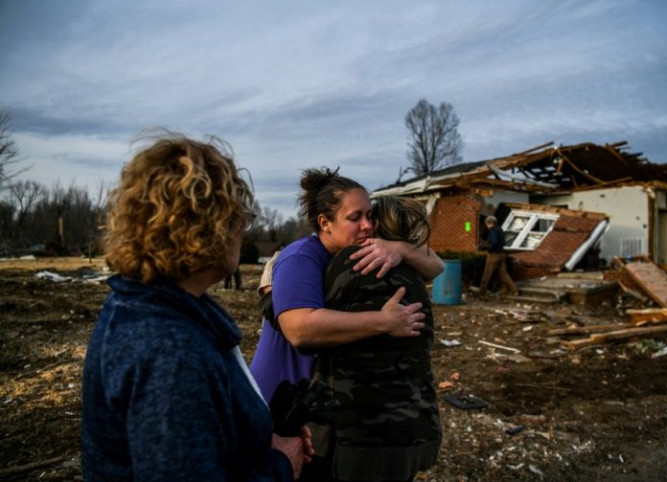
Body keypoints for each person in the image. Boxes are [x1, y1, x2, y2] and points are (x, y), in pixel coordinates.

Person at [81, 134, 312, 482]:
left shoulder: (148, 305)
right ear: (211, 228)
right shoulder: (170, 351)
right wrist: (280, 467)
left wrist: (264, 438)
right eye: (240, 218)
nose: (242, 233)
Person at [250, 167, 444, 403]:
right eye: (355, 218)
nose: (367, 226)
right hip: (278, 397)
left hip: (312, 401)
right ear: (325, 223)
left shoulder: (359, 250)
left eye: (370, 216)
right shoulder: (301, 257)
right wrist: (385, 321)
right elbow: (299, 329)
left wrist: (401, 249)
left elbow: (437, 265)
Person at [314, 195, 442, 482]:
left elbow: (311, 323)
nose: (363, 225)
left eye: (367, 217)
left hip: (364, 434)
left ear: (376, 224)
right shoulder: (416, 272)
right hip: (417, 425)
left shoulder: (353, 260)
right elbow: (438, 265)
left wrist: (272, 299)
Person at [477, 215, 518, 296]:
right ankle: (515, 290)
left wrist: (486, 248)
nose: (486, 225)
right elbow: (503, 242)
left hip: (494, 255)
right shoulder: (500, 230)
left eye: (486, 223)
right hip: (502, 254)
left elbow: (494, 242)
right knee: (504, 274)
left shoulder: (493, 231)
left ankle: (481, 294)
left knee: (486, 275)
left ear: (489, 223)